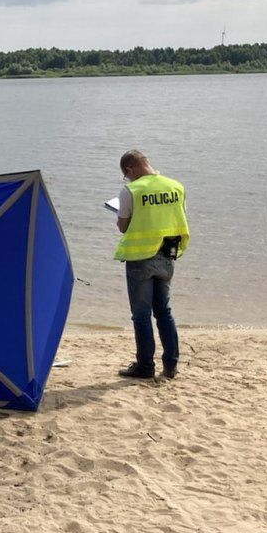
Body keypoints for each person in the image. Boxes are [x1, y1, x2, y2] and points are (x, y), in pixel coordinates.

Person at [113, 150, 189, 379]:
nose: (128, 180)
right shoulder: (176, 186)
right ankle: (171, 365)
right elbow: (178, 216)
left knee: (141, 315)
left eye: (127, 176)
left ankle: (145, 366)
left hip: (141, 257)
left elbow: (123, 226)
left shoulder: (131, 191)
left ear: (130, 169)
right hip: (167, 253)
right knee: (164, 311)